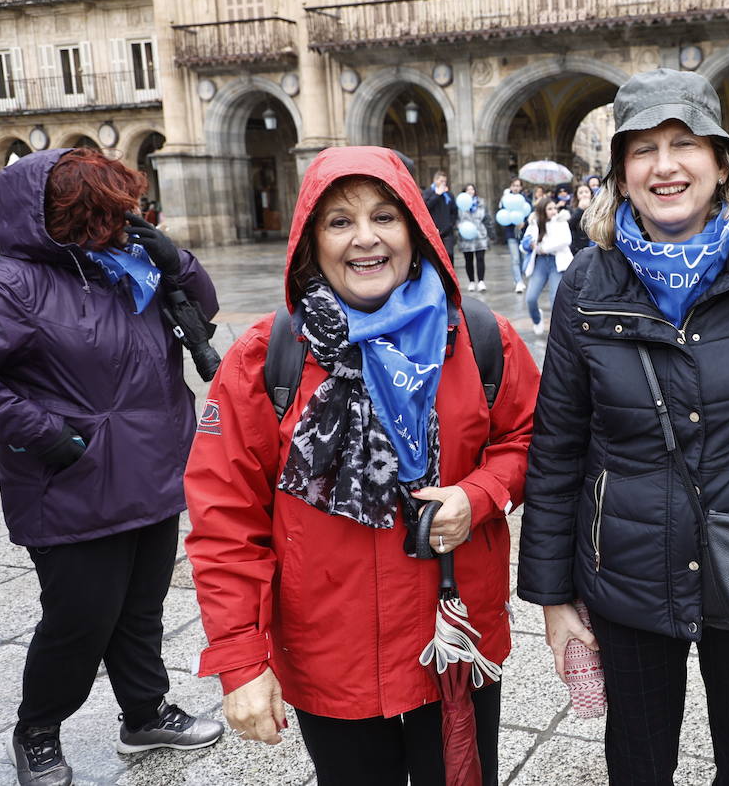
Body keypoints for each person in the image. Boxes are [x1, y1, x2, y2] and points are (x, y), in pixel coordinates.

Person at [518, 68, 729, 786]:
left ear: (720, 161)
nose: (664, 165)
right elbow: (556, 447)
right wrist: (552, 594)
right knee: (637, 764)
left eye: (683, 144)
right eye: (642, 149)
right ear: (619, 172)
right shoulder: (589, 280)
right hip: (628, 564)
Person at [183, 147, 539, 786]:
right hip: (331, 653)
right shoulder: (267, 359)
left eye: (385, 217)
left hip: (452, 639)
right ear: (310, 241)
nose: (365, 238)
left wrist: (479, 494)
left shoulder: (480, 339)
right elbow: (225, 518)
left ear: (416, 232)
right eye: (339, 222)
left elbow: (529, 437)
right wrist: (241, 660)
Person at [0, 149, 223, 786]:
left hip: (151, 466)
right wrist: (51, 438)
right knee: (79, 620)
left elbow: (198, 313)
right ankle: (38, 729)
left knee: (140, 607)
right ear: (65, 216)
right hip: (70, 479)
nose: (122, 222)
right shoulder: (11, 281)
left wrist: (176, 259)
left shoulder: (124, 263)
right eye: (107, 212)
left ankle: (144, 712)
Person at [522, 195, 572, 337]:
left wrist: (543, 248)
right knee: (530, 298)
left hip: (557, 262)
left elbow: (565, 240)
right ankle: (537, 319)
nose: (553, 211)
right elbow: (524, 243)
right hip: (540, 263)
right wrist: (528, 245)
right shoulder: (534, 223)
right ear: (542, 211)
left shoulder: (562, 221)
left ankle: (558, 329)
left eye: (554, 208)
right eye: (549, 209)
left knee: (555, 299)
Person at [457, 182, 491, 292]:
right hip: (466, 234)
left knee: (480, 258)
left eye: (472, 189)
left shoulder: (481, 203)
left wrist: (491, 232)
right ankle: (471, 281)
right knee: (468, 259)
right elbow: (457, 218)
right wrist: (459, 226)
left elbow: (486, 217)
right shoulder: (460, 204)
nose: (470, 192)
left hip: (479, 233)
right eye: (468, 190)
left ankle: (481, 281)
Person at [502, 177, 530, 294]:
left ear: (521, 187)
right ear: (510, 186)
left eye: (518, 186)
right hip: (511, 234)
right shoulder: (506, 200)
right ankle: (518, 282)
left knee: (523, 259)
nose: (516, 188)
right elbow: (502, 215)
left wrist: (525, 222)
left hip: (523, 234)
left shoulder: (525, 200)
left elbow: (531, 215)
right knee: (515, 259)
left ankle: (519, 278)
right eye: (514, 185)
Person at [422, 172, 457, 261]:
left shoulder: (449, 195)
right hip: (434, 231)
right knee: (436, 257)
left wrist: (451, 224)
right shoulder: (428, 192)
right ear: (435, 180)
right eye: (441, 181)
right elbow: (425, 207)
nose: (443, 183)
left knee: (449, 254)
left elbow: (454, 211)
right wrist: (437, 195)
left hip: (447, 231)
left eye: (445, 181)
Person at [567, 182, 594, 254]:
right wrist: (580, 209)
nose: (584, 194)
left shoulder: (597, 207)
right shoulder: (570, 209)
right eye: (581, 193)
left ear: (591, 193)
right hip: (578, 247)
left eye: (586, 192)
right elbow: (569, 226)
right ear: (577, 195)